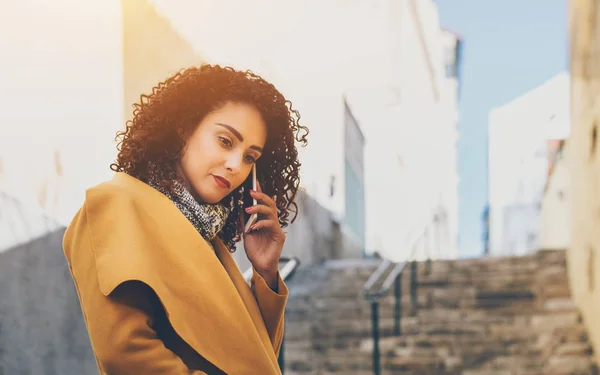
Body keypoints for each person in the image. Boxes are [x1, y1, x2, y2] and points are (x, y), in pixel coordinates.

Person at [62, 64, 308, 374]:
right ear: (184, 128)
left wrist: (266, 271)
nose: (235, 165)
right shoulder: (117, 204)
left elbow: (255, 358)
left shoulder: (208, 240)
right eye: (226, 141)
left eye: (250, 157)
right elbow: (125, 354)